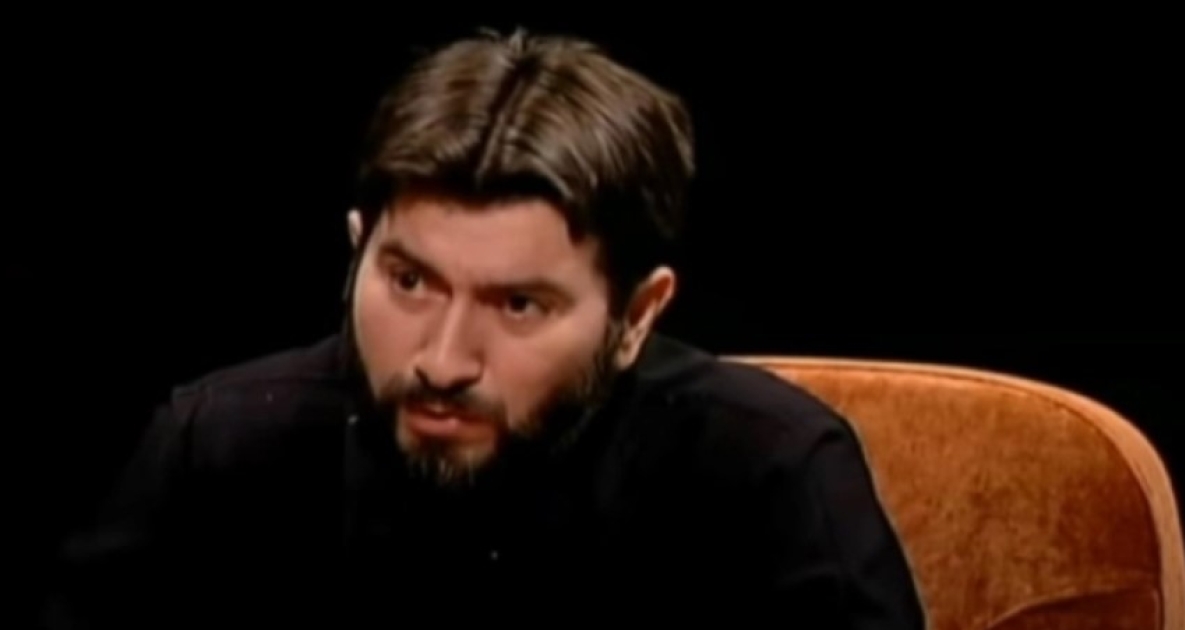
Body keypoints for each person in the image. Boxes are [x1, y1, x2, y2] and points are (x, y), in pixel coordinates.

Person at [40, 29, 925, 628]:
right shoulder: (220, 449)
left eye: (518, 306)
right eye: (409, 282)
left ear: (636, 316)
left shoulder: (769, 473)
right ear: (356, 250)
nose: (442, 360)